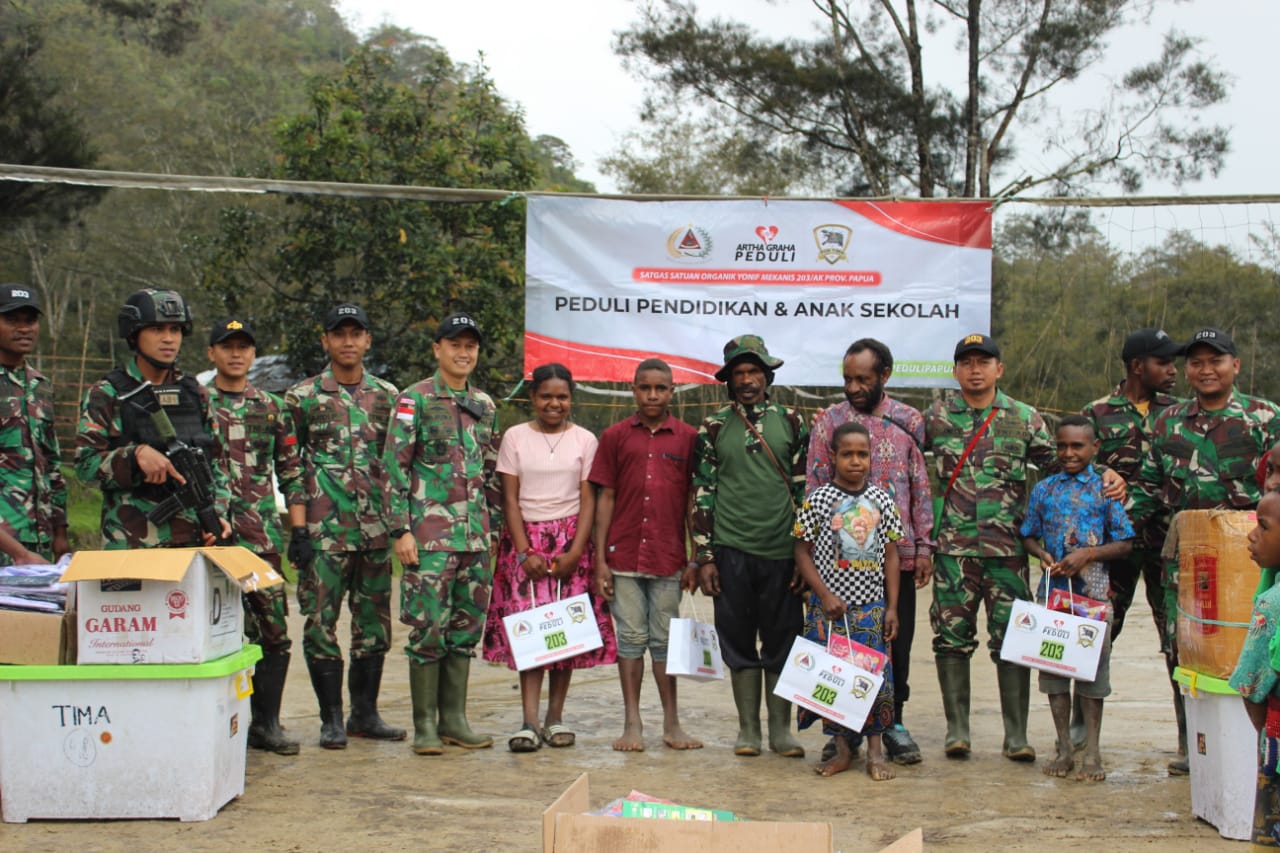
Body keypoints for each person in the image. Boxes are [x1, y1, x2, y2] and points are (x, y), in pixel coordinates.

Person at [926, 333, 1124, 762]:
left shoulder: (1025, 418)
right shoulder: (937, 417)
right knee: (950, 640)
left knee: (1011, 642)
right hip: (953, 552)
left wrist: (1107, 475)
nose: (975, 370)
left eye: (984, 362)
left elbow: (1066, 464)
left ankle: (1015, 735)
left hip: (1009, 553)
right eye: (967, 362)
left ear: (999, 368)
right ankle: (957, 730)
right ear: (956, 370)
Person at [1132, 326, 1280, 774]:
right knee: (1182, 650)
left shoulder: (1265, 417)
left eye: (1215, 360)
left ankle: (1251, 746)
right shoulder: (1165, 421)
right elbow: (1148, 488)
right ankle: (1193, 741)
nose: (1205, 369)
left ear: (1235, 365)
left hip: (1252, 559)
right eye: (1196, 362)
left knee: (1251, 644)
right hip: (1186, 561)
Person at [807, 337, 933, 765]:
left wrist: (924, 546)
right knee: (838, 645)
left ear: (885, 376)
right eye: (847, 379)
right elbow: (814, 481)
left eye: (863, 378)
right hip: (837, 562)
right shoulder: (829, 422)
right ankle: (844, 729)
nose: (854, 387)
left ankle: (892, 722)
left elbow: (920, 486)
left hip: (894, 556)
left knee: (893, 642)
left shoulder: (908, 420)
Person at [286, 303, 404, 749]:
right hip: (324, 533)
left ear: (368, 341)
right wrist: (298, 531)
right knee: (320, 623)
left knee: (374, 625)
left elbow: (399, 463)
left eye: (357, 333)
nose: (349, 342)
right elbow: (291, 467)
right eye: (340, 334)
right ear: (326, 341)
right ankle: (330, 719)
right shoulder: (302, 398)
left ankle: (365, 714)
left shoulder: (389, 398)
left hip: (375, 531)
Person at [482, 362, 617, 752]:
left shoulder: (586, 440)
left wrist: (577, 550)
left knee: (565, 634)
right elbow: (509, 497)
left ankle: (555, 718)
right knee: (530, 630)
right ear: (532, 398)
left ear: (571, 399)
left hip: (571, 542)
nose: (554, 404)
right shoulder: (515, 437)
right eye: (546, 396)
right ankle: (528, 721)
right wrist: (524, 551)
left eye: (562, 397)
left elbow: (588, 497)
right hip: (525, 543)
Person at [384, 313, 500, 756]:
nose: (463, 352)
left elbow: (489, 472)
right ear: (437, 349)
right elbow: (394, 468)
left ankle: (455, 720)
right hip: (429, 539)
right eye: (454, 344)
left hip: (474, 540)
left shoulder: (484, 406)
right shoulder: (414, 400)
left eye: (471, 344)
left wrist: (494, 531)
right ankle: (425, 726)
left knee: (464, 631)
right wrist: (400, 530)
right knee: (427, 629)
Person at [691, 334, 808, 758]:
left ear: (767, 375)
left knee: (783, 639)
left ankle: (781, 731)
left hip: (782, 551)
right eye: (738, 373)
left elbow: (803, 492)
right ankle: (748, 731)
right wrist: (704, 556)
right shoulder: (713, 427)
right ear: (728, 380)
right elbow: (704, 490)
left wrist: (804, 555)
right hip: (731, 548)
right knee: (737, 640)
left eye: (754, 371)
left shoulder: (793, 421)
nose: (747, 379)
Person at [1081, 327, 1184, 765]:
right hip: (1113, 550)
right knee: (1097, 635)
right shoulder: (1096, 413)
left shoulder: (1180, 414)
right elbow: (1072, 470)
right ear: (1138, 365)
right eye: (1164, 362)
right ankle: (1084, 738)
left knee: (1180, 641)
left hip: (1169, 546)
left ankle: (1189, 738)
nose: (1174, 370)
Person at [590, 357, 701, 752]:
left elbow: (693, 501)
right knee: (631, 640)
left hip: (668, 557)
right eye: (644, 387)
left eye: (660, 388)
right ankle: (632, 722)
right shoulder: (616, 436)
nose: (652, 395)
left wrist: (694, 557)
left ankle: (672, 723)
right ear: (633, 390)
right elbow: (606, 497)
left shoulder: (688, 438)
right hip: (622, 558)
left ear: (672, 392)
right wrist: (600, 559)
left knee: (666, 642)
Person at [206, 318, 305, 755]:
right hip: (207, 539)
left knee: (273, 631)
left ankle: (266, 723)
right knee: (208, 631)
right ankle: (213, 725)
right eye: (227, 346)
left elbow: (290, 468)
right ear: (211, 353)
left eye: (244, 347)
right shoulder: (195, 403)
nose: (236, 354)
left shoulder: (270, 405)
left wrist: (298, 529)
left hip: (260, 537)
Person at [1019, 415, 1135, 782]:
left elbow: (1127, 543)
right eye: (1062, 446)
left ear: (1094, 447)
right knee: (1055, 672)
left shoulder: (1106, 489)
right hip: (1053, 596)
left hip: (1094, 597)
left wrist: (1089, 554)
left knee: (1092, 676)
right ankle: (1064, 747)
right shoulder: (1045, 489)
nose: (1069, 453)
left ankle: (1094, 753)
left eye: (1077, 446)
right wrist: (1041, 553)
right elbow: (1028, 533)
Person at [76, 288, 231, 549]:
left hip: (193, 543)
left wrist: (217, 513)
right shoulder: (107, 393)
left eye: (176, 329)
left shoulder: (196, 393)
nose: (169, 339)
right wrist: (134, 457)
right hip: (130, 544)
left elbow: (218, 464)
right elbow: (85, 468)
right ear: (135, 334)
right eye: (157, 329)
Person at [794, 422, 902, 781]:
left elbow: (891, 556)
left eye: (863, 454)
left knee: (873, 680)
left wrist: (891, 607)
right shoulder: (819, 499)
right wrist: (823, 595)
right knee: (832, 680)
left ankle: (874, 753)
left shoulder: (882, 500)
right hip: (829, 610)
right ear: (833, 457)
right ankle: (841, 751)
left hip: (870, 608)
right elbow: (801, 551)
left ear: (871, 457)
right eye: (847, 454)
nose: (855, 461)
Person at [0, 284, 69, 566]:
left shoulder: (40, 385)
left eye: (30, 321)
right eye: (12, 320)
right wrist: (19, 554)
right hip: (9, 544)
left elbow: (51, 464)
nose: (23, 328)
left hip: (37, 544)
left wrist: (60, 537)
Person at [1229, 489, 1280, 848]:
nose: (1252, 535)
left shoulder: (1271, 604)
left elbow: (1250, 684)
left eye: (1263, 527)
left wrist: (1268, 735)